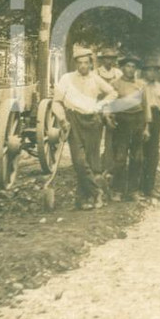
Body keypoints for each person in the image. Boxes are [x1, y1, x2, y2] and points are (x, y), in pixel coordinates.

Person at [51, 48, 117, 210]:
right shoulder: (66, 79)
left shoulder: (95, 79)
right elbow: (56, 102)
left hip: (93, 121)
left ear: (90, 64)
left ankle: (82, 199)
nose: (82, 66)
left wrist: (100, 105)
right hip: (74, 121)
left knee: (91, 161)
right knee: (79, 161)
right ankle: (97, 192)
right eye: (79, 63)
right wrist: (62, 119)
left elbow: (112, 93)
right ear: (75, 64)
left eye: (86, 63)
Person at [109, 53, 149, 202]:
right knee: (120, 157)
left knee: (137, 158)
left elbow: (146, 107)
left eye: (133, 67)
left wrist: (146, 127)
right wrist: (110, 118)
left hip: (138, 121)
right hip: (122, 122)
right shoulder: (115, 84)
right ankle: (117, 190)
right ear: (122, 68)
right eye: (127, 66)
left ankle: (133, 191)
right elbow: (110, 104)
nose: (130, 69)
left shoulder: (141, 85)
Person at [96, 46, 124, 179]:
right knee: (96, 136)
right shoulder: (96, 73)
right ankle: (95, 166)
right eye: (106, 58)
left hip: (113, 108)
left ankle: (108, 165)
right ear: (102, 60)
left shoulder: (118, 73)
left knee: (111, 137)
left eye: (111, 58)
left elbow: (119, 90)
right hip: (98, 107)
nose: (109, 61)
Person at [141, 56, 160, 198]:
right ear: (144, 72)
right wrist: (145, 126)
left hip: (156, 118)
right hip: (142, 119)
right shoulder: (140, 85)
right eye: (149, 70)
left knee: (153, 154)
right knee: (140, 154)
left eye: (154, 71)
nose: (152, 73)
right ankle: (138, 187)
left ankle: (149, 187)